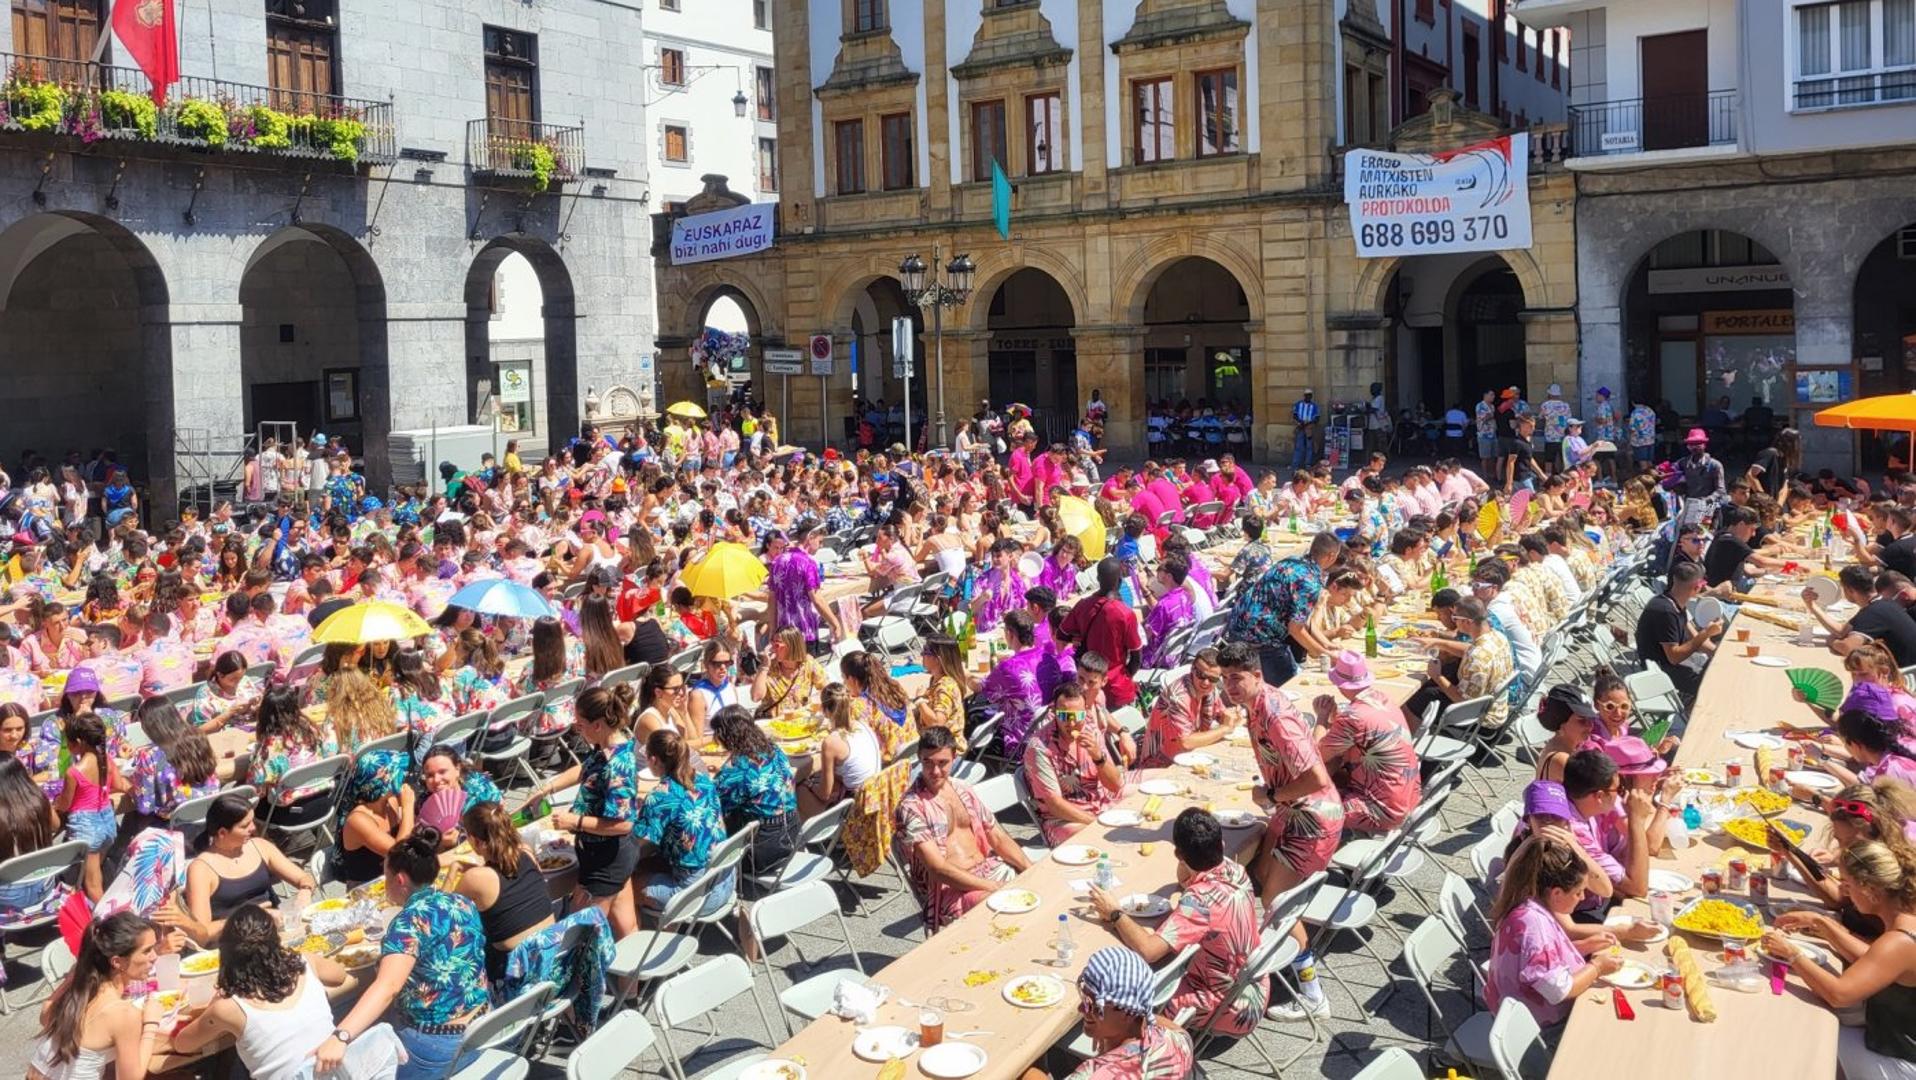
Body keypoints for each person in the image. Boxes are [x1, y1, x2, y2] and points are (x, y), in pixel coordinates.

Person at [1217, 641, 1341, 1020]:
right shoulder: (1255, 705)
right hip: (1294, 814)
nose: (1229, 687)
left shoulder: (1274, 715)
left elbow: (1316, 776)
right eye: (1224, 679)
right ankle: (1254, 959)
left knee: (1276, 904)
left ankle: (1312, 992)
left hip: (1311, 818)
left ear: (1257, 675)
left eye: (1236, 678)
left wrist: (1272, 795)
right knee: (1258, 874)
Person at [311, 827, 492, 1079]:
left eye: (385, 876)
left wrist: (340, 1036)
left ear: (400, 880)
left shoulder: (409, 923)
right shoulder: (461, 902)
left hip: (439, 1046)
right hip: (484, 1026)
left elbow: (389, 987)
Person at [1086, 808, 1262, 1038]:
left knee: (1126, 1000)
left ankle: (1126, 1051)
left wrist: (1115, 913)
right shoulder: (1235, 870)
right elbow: (1185, 881)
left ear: (1178, 854)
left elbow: (1149, 951)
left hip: (1227, 1006)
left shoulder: (1199, 902)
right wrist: (1186, 862)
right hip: (1253, 985)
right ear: (1221, 844)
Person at [1763, 840, 1916, 1079]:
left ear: (1871, 891)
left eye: (1848, 884)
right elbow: (1875, 960)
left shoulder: (1900, 941)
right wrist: (1821, 923)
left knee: (1801, 1035)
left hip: (1899, 1063)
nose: (1844, 892)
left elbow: (1838, 995)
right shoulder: (1907, 920)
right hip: (1892, 1040)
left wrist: (1792, 954)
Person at [166, 905, 359, 1080]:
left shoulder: (228, 1008)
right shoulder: (306, 963)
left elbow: (183, 1044)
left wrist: (212, 1006)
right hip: (335, 1073)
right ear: (276, 941)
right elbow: (339, 975)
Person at [528, 687, 641, 938]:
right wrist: (547, 787)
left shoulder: (617, 766)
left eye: (580, 725)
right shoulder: (606, 747)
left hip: (606, 857)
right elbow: (585, 770)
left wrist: (575, 821)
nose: (578, 731)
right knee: (626, 929)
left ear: (598, 724)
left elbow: (623, 824)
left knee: (579, 935)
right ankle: (636, 976)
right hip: (612, 856)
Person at [897, 725, 1032, 932]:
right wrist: (991, 887)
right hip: (951, 889)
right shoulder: (912, 807)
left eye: (943, 763)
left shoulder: (963, 789)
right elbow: (937, 868)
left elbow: (996, 836)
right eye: (928, 763)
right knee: (1002, 910)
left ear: (954, 758)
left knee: (1037, 889)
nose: (934, 771)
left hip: (989, 869)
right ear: (919, 758)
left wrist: (1030, 868)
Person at [1485, 834, 1623, 1027]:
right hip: (1540, 1028)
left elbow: (1538, 960)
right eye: (1578, 892)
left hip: (1522, 1013)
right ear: (1556, 893)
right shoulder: (1534, 925)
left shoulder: (1529, 905)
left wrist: (1583, 946)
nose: (1582, 898)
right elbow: (1559, 991)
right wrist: (1597, 967)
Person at [1015, 946, 1194, 1080]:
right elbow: (1180, 1031)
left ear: (1127, 1014)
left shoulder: (1094, 1074)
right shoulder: (1177, 1044)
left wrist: (1024, 1064)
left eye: (1091, 1006)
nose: (1081, 1009)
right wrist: (1113, 1027)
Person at [29, 911, 169, 1080]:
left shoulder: (79, 988)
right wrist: (151, 1023)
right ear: (117, 962)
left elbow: (45, 1015)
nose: (154, 957)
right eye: (147, 951)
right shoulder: (124, 1014)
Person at [183, 791, 317, 944]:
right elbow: (202, 932)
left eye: (252, 821)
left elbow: (304, 878)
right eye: (245, 825)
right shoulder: (201, 869)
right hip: (235, 942)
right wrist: (253, 917)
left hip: (273, 930)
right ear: (222, 833)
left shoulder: (259, 846)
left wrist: (305, 891)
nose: (253, 828)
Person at [1311, 651, 1420, 834]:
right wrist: (1335, 718)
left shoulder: (1353, 716)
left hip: (1383, 811)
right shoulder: (1383, 699)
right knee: (1332, 774)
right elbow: (1360, 736)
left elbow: (1315, 756)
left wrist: (1322, 717)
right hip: (1408, 796)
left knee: (1303, 806)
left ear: (1340, 684)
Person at [452, 800, 555, 984]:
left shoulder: (476, 878)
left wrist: (453, 872)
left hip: (512, 977)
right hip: (551, 961)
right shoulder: (526, 852)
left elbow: (442, 915)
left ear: (475, 841)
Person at [633, 728, 730, 914]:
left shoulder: (659, 797)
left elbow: (636, 844)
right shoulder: (703, 780)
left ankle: (639, 938)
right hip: (725, 879)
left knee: (624, 887)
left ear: (653, 760)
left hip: (696, 895)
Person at [1227, 532, 1341, 687]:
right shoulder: (1309, 583)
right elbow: (1295, 628)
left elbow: (1301, 619)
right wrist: (1322, 653)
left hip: (1238, 624)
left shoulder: (1291, 561)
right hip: (1262, 636)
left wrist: (1323, 645)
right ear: (1331, 556)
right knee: (1289, 687)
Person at [1023, 680, 1125, 845]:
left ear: (1085, 712)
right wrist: (1095, 823)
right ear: (1054, 712)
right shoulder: (1040, 748)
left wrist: (1098, 758)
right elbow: (1054, 804)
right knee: (1095, 839)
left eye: (1077, 716)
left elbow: (1115, 785)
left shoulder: (1091, 732)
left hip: (1098, 804)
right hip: (1062, 820)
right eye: (1064, 716)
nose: (1071, 724)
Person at [709, 704, 799, 879]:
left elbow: (714, 805)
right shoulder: (774, 750)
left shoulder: (736, 770)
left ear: (725, 737)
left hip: (761, 851)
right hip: (792, 836)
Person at [53, 713, 121, 899]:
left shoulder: (74, 772)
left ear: (79, 741)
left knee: (93, 886)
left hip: (86, 828)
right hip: (107, 821)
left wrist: (54, 803)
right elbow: (117, 784)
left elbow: (65, 805)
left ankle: (108, 922)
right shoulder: (105, 759)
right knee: (93, 875)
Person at [1634, 562, 1721, 700]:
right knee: (1718, 682)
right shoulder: (1665, 611)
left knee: (1722, 668)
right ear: (1697, 587)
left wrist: (1719, 653)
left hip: (1678, 665)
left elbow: (1697, 638)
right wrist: (1706, 633)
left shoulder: (1675, 602)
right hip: (1663, 674)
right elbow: (1674, 657)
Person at [331, 750, 417, 885]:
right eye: (397, 774)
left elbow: (413, 835)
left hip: (394, 880)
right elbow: (399, 856)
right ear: (382, 784)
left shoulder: (391, 803)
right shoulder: (358, 820)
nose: (403, 777)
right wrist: (408, 807)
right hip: (367, 891)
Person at [795, 682, 882, 817]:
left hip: (856, 806)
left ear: (825, 711)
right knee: (829, 777)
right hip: (874, 793)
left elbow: (825, 794)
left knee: (799, 787)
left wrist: (809, 784)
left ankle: (816, 834)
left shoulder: (831, 743)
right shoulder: (863, 725)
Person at [1141, 647, 1238, 767]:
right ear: (1192, 669)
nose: (1206, 682)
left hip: (1192, 754)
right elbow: (1186, 742)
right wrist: (1224, 728)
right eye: (1201, 675)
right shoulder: (1178, 697)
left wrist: (1231, 717)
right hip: (1162, 763)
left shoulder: (1209, 690)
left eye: (1213, 679)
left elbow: (1222, 715)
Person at [1806, 565, 1916, 667]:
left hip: (1906, 675)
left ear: (1850, 590)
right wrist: (1811, 606)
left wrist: (1832, 642)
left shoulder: (1873, 612)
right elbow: (1841, 631)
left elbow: (1849, 648)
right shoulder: (1882, 603)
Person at [750, 626, 827, 719]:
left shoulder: (808, 663)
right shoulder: (768, 668)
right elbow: (755, 697)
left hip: (802, 720)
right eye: (771, 644)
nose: (772, 649)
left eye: (776, 645)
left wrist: (811, 702)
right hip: (776, 724)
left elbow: (827, 689)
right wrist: (764, 666)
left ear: (791, 646)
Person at [914, 634, 972, 752]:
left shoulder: (945, 687)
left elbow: (937, 724)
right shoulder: (939, 680)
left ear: (938, 659)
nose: (922, 655)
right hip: (942, 744)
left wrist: (920, 701)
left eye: (926, 651)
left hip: (944, 751)